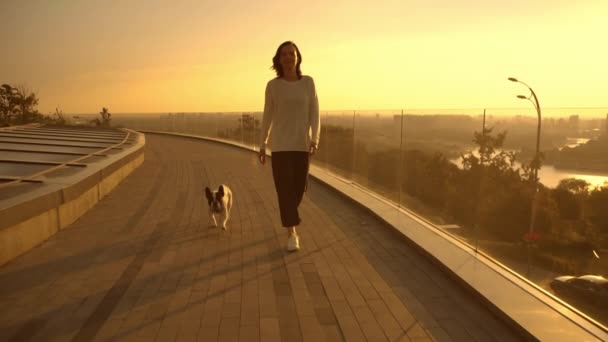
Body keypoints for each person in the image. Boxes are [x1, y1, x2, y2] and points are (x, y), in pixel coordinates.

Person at [258, 41, 320, 252]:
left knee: (298, 189)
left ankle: (289, 218)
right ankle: (292, 233)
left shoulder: (308, 83)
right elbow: (267, 115)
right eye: (284, 54)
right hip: (281, 147)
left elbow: (315, 112)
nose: (288, 57)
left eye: (291, 53)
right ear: (279, 59)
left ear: (298, 57)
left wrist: (315, 138)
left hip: (301, 145)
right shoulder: (273, 86)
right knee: (284, 190)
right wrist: (262, 142)